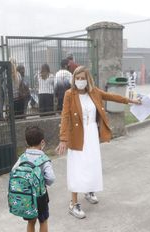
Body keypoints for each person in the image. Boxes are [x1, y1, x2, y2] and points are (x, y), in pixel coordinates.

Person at [55, 66, 141, 219]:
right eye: (77, 78)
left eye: (83, 78)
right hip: (77, 135)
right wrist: (63, 139)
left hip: (91, 134)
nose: (80, 81)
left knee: (91, 164)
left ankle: (88, 190)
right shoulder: (70, 94)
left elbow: (112, 96)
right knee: (77, 167)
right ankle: (73, 203)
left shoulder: (94, 92)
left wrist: (131, 101)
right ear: (74, 79)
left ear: (88, 79)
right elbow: (65, 116)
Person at [12, 126, 57, 232]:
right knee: (43, 221)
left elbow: (14, 171)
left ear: (26, 142)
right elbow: (51, 179)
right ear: (42, 142)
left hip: (27, 197)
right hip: (40, 196)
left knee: (30, 221)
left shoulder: (22, 157)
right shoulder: (44, 159)